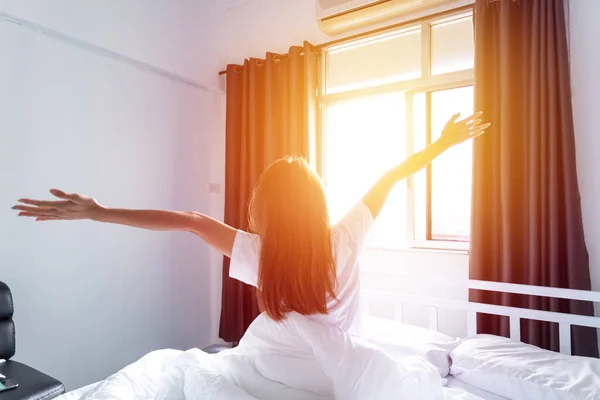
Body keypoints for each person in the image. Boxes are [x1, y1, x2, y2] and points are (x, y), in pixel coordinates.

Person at [12, 112, 489, 333]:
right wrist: (442, 144)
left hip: (279, 367)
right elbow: (390, 176)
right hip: (339, 375)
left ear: (269, 206)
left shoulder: (263, 253)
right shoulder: (345, 238)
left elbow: (190, 221)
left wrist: (99, 211)